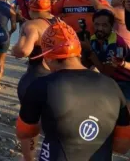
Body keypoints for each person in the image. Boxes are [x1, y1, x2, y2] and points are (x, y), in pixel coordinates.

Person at [16, 19, 130, 160]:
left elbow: (23, 132)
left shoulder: (41, 86)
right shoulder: (112, 86)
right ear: (79, 52)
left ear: (48, 57)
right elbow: (122, 146)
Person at [12, 0, 55, 102]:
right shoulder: (59, 21)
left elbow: (22, 51)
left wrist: (14, 49)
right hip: (58, 73)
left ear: (31, 7)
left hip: (38, 73)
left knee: (29, 111)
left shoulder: (31, 25)